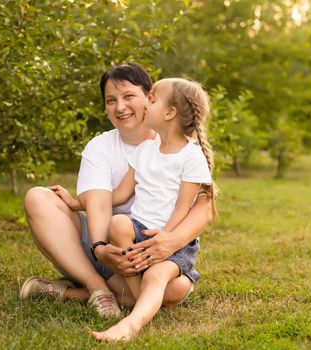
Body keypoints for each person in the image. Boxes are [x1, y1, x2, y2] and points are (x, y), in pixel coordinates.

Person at [20, 64, 212, 318]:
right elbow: (102, 202)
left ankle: (71, 293)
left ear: (149, 98)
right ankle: (98, 288)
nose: (120, 107)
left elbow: (203, 208)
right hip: (109, 248)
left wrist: (169, 241)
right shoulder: (100, 147)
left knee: (175, 289)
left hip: (156, 250)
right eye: (111, 101)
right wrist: (100, 247)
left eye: (129, 96)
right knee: (37, 197)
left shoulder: (180, 148)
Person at [90, 78, 216, 342]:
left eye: (153, 99)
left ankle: (131, 325)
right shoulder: (146, 149)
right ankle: (140, 302)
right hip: (139, 230)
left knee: (159, 274)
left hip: (173, 241)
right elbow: (121, 194)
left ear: (170, 113)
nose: (146, 102)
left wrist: (165, 239)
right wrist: (78, 202)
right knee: (119, 224)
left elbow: (184, 206)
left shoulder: (191, 157)